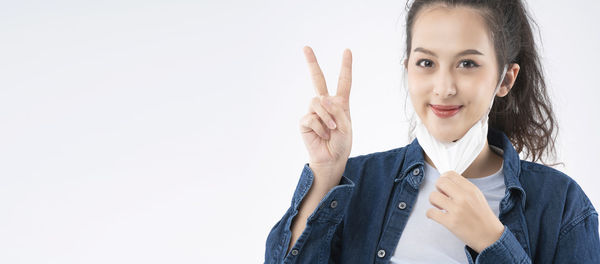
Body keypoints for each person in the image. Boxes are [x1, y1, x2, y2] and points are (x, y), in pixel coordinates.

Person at [264, 0, 600, 263]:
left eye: (467, 63)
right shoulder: (356, 183)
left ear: (506, 79)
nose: (443, 87)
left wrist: (493, 242)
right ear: (407, 68)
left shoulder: (562, 206)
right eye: (426, 63)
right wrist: (324, 176)